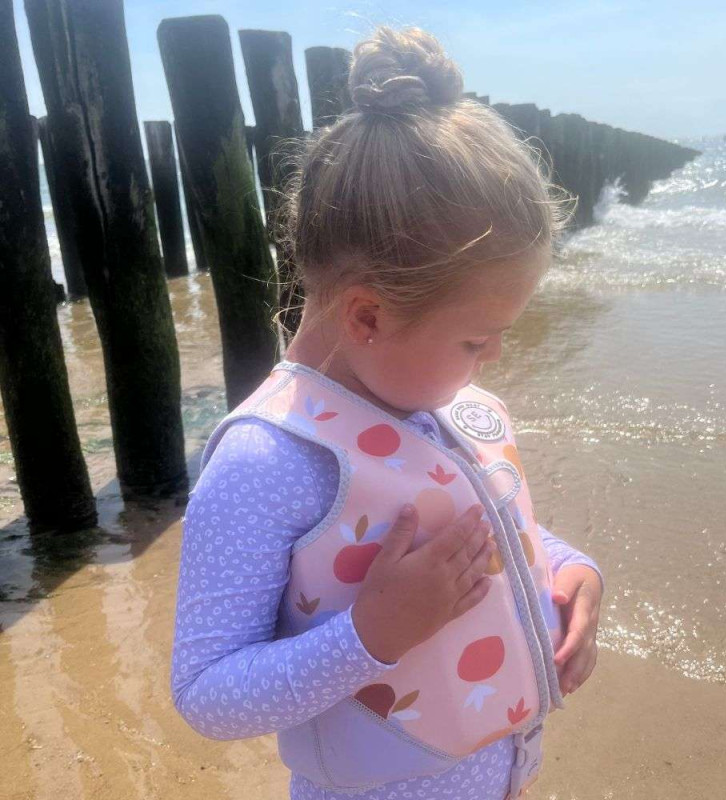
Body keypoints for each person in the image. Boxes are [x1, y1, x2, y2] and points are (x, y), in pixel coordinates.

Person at [171, 24, 604, 800]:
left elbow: (486, 528)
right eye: (476, 338)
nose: (494, 357)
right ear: (367, 315)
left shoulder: (429, 403)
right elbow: (207, 692)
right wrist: (370, 635)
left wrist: (573, 572)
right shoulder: (268, 464)